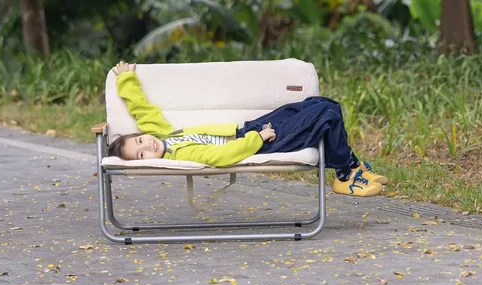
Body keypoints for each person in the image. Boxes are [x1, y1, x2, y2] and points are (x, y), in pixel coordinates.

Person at [107, 62, 388, 197]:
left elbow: (142, 110)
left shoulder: (165, 136)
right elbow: (221, 157)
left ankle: (350, 167)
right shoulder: (182, 156)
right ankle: (345, 174)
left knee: (319, 104)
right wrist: (258, 138)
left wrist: (126, 79)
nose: (147, 146)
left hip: (249, 129)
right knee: (327, 113)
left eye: (141, 140)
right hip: (262, 141)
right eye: (142, 154)